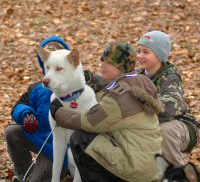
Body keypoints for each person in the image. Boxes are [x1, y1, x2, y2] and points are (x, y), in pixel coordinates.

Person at [50, 41, 164, 182]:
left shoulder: (119, 97)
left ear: (122, 66)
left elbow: (89, 121)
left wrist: (58, 112)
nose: (102, 65)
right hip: (149, 166)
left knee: (80, 138)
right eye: (102, 60)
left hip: (135, 169)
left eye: (109, 63)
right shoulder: (137, 81)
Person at [4, 36, 71, 182]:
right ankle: (24, 173)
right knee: (11, 132)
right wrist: (26, 114)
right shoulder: (37, 88)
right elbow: (19, 105)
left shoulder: (78, 84)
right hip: (40, 138)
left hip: (60, 150)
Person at [137, 30, 200, 166]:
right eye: (139, 51)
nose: (140, 56)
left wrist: (140, 104)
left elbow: (171, 106)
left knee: (164, 130)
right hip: (149, 124)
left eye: (146, 52)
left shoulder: (170, 78)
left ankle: (175, 174)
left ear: (160, 55)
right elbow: (112, 85)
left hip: (182, 126)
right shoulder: (136, 75)